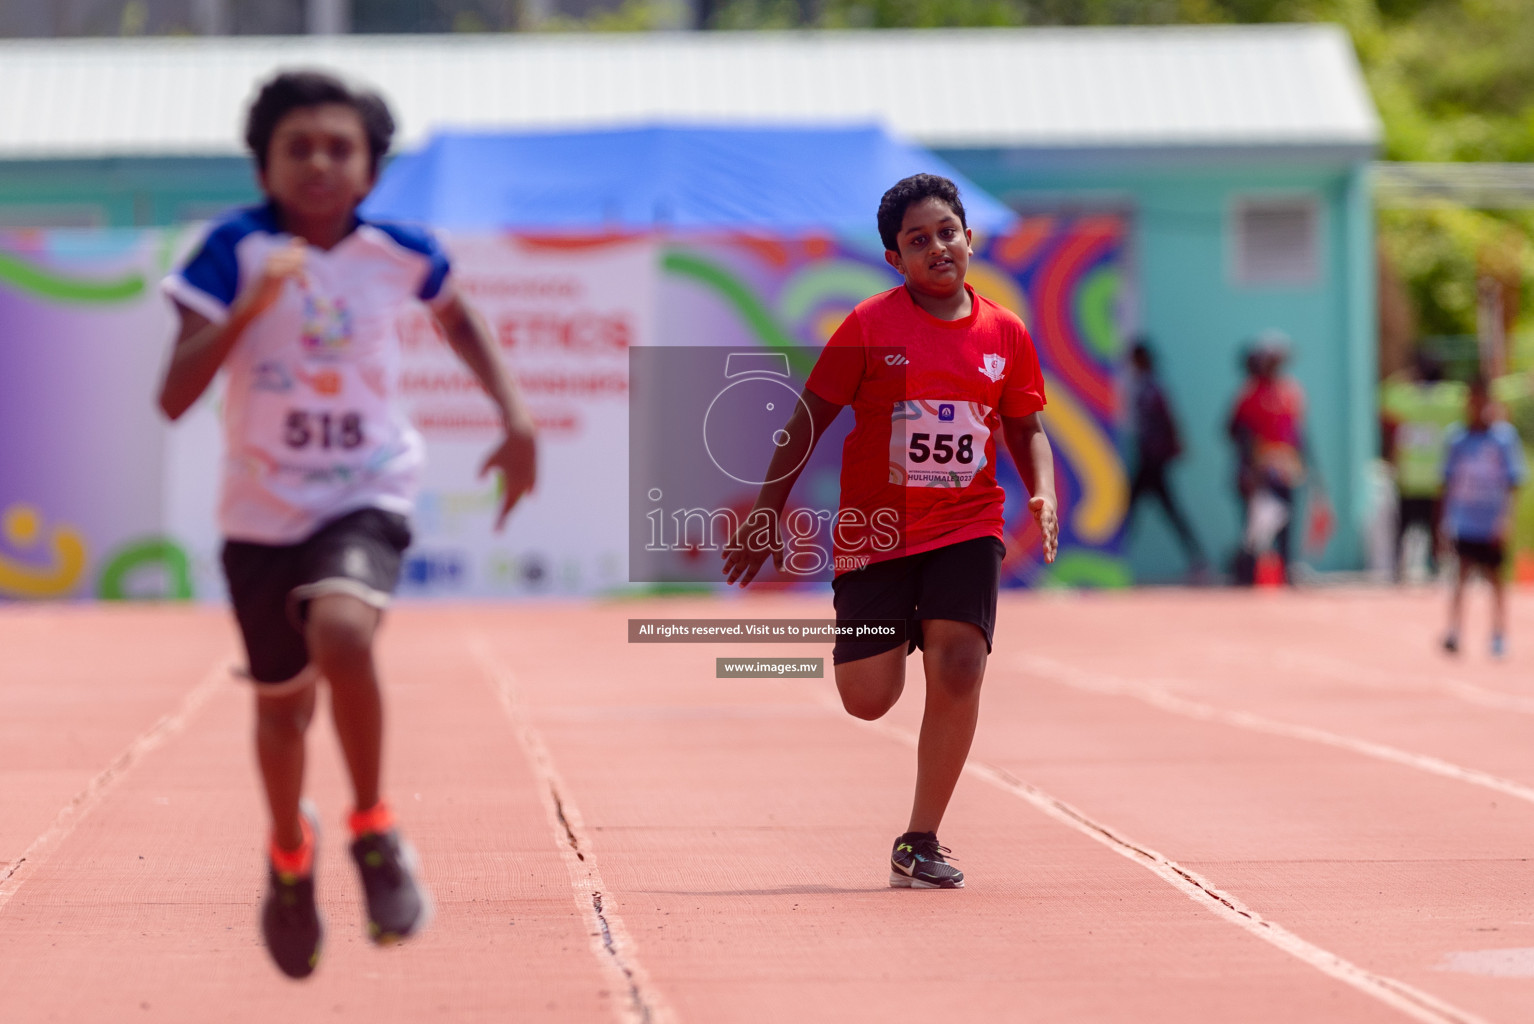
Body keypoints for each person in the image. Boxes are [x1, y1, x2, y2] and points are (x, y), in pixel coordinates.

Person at [156, 70, 536, 979]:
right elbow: (174, 396)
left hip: (365, 489)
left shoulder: (398, 249)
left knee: (343, 628)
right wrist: (251, 305)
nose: (320, 161)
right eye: (299, 147)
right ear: (266, 164)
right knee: (282, 711)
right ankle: (289, 853)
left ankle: (373, 827)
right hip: (260, 512)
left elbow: (460, 317)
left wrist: (515, 419)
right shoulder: (231, 251)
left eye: (340, 147)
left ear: (369, 169)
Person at [721, 174, 1058, 889]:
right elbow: (807, 420)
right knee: (869, 698)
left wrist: (1044, 494)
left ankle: (921, 836)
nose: (936, 248)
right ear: (893, 260)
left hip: (968, 523)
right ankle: (901, 628)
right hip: (877, 532)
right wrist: (765, 511)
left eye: (946, 233)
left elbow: (1027, 427)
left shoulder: (1006, 333)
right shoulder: (869, 326)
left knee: (962, 662)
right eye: (917, 240)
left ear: (969, 238)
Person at [1440, 375, 1524, 658]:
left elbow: (1513, 482)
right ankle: (1454, 630)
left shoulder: (1503, 438)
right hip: (1464, 518)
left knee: (1495, 579)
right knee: (1460, 575)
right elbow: (1447, 482)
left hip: (1491, 519)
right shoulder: (1457, 439)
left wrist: (1506, 518)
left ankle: (1499, 632)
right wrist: (1444, 520)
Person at [1227, 332, 1315, 585]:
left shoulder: (1291, 391)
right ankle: (1247, 573)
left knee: (1287, 521)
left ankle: (1287, 569)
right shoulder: (1249, 394)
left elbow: (1298, 434)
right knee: (1256, 528)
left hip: (1286, 468)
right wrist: (1248, 469)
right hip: (1259, 470)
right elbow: (1235, 432)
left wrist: (1307, 466)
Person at [1379, 349, 1465, 581]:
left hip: (1409, 476)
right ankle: (1434, 566)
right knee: (1436, 527)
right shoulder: (1451, 397)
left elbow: (1382, 394)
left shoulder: (1405, 398)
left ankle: (1399, 568)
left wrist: (1406, 377)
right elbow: (1488, 395)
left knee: (1404, 527)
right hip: (1437, 477)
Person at [1126, 338, 1207, 578]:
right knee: (1149, 512)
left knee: (1146, 513)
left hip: (1153, 461)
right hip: (1147, 458)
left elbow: (1168, 419)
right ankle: (1198, 559)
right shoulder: (1143, 386)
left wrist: (1174, 447)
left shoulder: (1153, 388)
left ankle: (1199, 561)